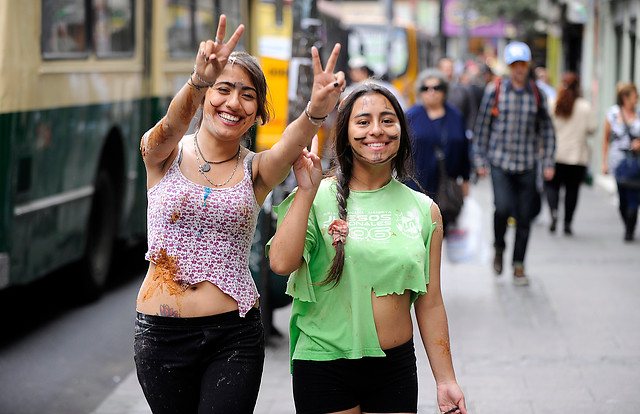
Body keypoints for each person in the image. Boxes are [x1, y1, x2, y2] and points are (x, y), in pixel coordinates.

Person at [133, 14, 346, 414]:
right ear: (205, 96)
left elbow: (289, 144)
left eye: (247, 95)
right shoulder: (162, 153)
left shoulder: (257, 169)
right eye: (223, 89)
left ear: (258, 110)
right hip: (160, 336)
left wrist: (316, 111)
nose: (233, 103)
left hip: (234, 337)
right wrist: (197, 82)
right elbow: (172, 125)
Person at [268, 82, 467, 414]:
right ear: (345, 133)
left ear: (402, 130)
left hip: (394, 369)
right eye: (363, 121)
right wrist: (305, 191)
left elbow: (430, 304)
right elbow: (280, 262)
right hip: (323, 363)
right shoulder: (317, 196)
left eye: (388, 120)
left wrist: (445, 379)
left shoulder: (424, 210)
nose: (377, 130)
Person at [473, 41, 555, 285]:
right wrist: (480, 158)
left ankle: (519, 265)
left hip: (528, 163)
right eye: (514, 65)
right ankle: (499, 247)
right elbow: (483, 127)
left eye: (522, 64)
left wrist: (549, 160)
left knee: (525, 217)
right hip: (500, 162)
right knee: (503, 208)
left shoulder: (538, 93)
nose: (519, 69)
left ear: (528, 66)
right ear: (509, 67)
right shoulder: (494, 91)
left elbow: (547, 129)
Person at [406, 69, 471, 233]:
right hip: (417, 184)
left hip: (446, 185)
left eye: (437, 87)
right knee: (418, 232)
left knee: (440, 231)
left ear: (444, 91)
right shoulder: (411, 116)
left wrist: (465, 180)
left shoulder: (455, 116)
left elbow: (464, 149)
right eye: (425, 88)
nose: (431, 92)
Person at [544, 72, 597, 235]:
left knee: (552, 186)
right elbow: (592, 128)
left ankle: (553, 211)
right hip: (576, 157)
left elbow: (544, 127)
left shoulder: (553, 104)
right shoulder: (584, 107)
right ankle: (567, 222)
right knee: (572, 190)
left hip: (556, 155)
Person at [602, 82, 640, 241]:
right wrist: (603, 162)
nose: (637, 99)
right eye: (634, 96)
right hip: (618, 162)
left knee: (634, 196)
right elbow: (606, 139)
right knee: (622, 196)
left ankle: (630, 230)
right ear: (625, 98)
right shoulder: (612, 114)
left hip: (637, 162)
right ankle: (627, 222)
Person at [438, 57, 478, 139]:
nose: (448, 71)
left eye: (450, 68)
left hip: (457, 133)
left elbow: (472, 111)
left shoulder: (463, 90)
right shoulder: (432, 91)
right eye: (445, 68)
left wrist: (469, 131)